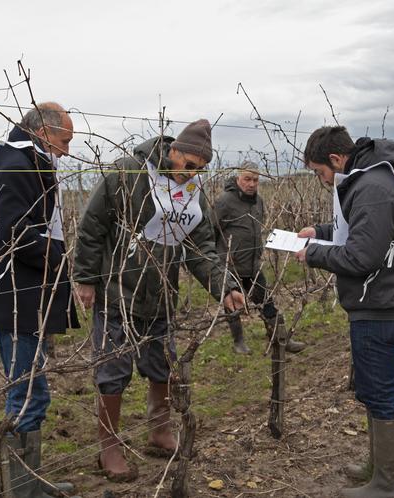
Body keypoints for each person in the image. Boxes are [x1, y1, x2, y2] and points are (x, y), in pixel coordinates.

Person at [73, 119, 245, 482]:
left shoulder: (191, 194)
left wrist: (224, 285)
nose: (192, 174)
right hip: (118, 289)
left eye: (200, 170)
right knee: (113, 371)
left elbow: (200, 249)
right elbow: (92, 227)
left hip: (162, 294)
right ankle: (109, 445)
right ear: (173, 151)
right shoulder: (127, 174)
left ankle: (159, 430)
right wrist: (86, 279)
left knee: (162, 365)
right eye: (189, 165)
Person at [295, 126, 394, 498]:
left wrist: (314, 254)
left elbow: (362, 255)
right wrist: (318, 232)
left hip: (382, 303)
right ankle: (377, 468)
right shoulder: (367, 180)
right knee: (371, 388)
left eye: (320, 172)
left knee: (380, 392)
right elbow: (362, 232)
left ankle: (387, 484)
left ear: (336, 160)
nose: (322, 181)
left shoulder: (371, 188)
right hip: (380, 299)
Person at [0, 102, 80, 497]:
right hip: (15, 294)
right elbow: (15, 233)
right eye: (64, 140)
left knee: (30, 389)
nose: (67, 150)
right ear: (43, 131)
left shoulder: (19, 156)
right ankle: (22, 491)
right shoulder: (15, 164)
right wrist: (60, 261)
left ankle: (29, 483)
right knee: (27, 395)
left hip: (24, 292)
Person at [212, 161, 306, 354]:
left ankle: (279, 339)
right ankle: (239, 342)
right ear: (238, 178)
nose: (252, 184)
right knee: (233, 305)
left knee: (267, 302)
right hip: (230, 266)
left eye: (255, 180)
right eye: (247, 179)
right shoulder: (224, 201)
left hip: (253, 265)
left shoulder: (259, 201)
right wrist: (220, 257)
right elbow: (209, 230)